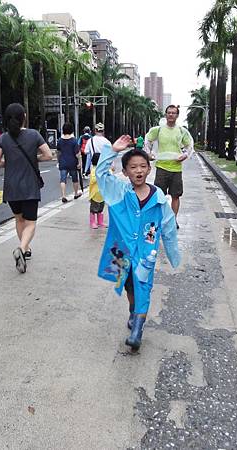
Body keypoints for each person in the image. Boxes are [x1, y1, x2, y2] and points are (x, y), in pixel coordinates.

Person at [96, 135, 180, 351]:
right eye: (133, 167)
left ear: (149, 169)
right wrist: (111, 151)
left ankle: (137, 331)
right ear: (125, 172)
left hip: (145, 253)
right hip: (120, 250)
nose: (138, 170)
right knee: (127, 285)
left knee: (143, 286)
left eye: (143, 166)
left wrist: (173, 254)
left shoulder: (159, 196)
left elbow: (169, 225)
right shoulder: (119, 191)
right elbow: (101, 175)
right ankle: (134, 310)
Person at [0, 103, 53, 273]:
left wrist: (9, 162)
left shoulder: (3, 138)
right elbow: (48, 155)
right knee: (31, 222)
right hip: (29, 186)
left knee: (19, 219)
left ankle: (25, 249)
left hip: (11, 187)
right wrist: (35, 158)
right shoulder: (34, 135)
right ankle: (21, 247)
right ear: (24, 117)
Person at [144, 105, 194, 228]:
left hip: (176, 168)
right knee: (159, 196)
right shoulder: (159, 130)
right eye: (169, 113)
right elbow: (147, 140)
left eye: (173, 113)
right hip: (162, 167)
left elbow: (189, 146)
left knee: (175, 196)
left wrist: (185, 155)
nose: (171, 115)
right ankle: (159, 219)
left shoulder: (181, 131)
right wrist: (148, 153)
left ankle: (173, 220)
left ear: (177, 115)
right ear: (165, 115)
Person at [57, 122, 83, 203]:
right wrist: (79, 163)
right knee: (75, 179)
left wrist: (59, 161)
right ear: (71, 130)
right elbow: (77, 154)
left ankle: (63, 196)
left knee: (63, 179)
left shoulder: (60, 141)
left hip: (63, 162)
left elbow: (58, 152)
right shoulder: (74, 141)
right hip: (73, 162)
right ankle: (76, 193)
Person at [88, 153, 105, 229]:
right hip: (95, 194)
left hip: (102, 194)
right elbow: (93, 180)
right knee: (93, 209)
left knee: (100, 209)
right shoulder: (94, 170)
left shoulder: (103, 170)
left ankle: (100, 222)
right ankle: (92, 222)